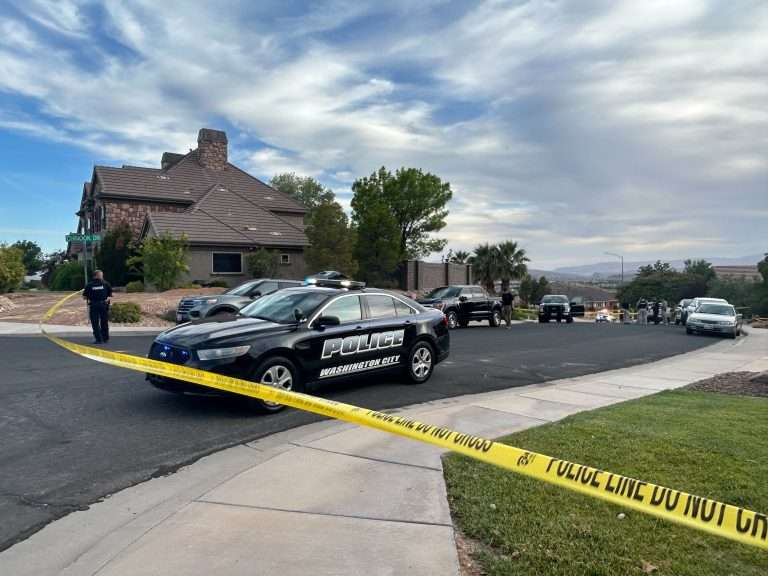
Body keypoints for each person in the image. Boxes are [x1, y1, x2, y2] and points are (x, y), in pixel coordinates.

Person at [84, 269, 112, 344]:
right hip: (103, 305)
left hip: (94, 305)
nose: (102, 276)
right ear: (97, 275)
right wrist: (107, 299)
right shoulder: (106, 284)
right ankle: (105, 338)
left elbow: (84, 297)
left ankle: (99, 339)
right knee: (104, 322)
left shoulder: (89, 285)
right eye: (101, 275)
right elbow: (110, 295)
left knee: (95, 323)